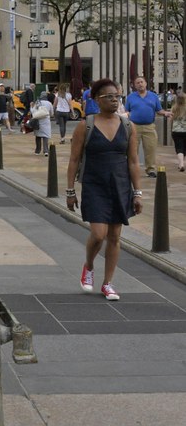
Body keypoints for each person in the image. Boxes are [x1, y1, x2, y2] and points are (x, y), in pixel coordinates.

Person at [66, 78, 142, 301]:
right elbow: (73, 160)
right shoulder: (85, 126)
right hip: (94, 184)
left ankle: (108, 283)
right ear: (97, 100)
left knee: (115, 236)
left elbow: (134, 162)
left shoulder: (128, 126)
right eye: (109, 96)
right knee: (99, 234)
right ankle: (88, 266)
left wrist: (138, 193)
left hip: (120, 185)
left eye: (117, 96)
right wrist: (70, 192)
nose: (114, 100)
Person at [125, 76, 171, 179]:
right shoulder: (131, 97)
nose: (140, 84)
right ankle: (131, 169)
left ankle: (150, 169)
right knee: (133, 150)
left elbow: (159, 110)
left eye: (141, 82)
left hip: (149, 127)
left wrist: (166, 113)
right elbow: (126, 111)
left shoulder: (153, 96)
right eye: (137, 83)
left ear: (146, 83)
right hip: (134, 127)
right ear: (134, 85)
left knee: (150, 149)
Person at [170, 92, 186, 172]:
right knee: (184, 148)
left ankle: (181, 164)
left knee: (179, 148)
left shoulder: (174, 108)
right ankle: (182, 163)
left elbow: (171, 120)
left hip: (176, 130)